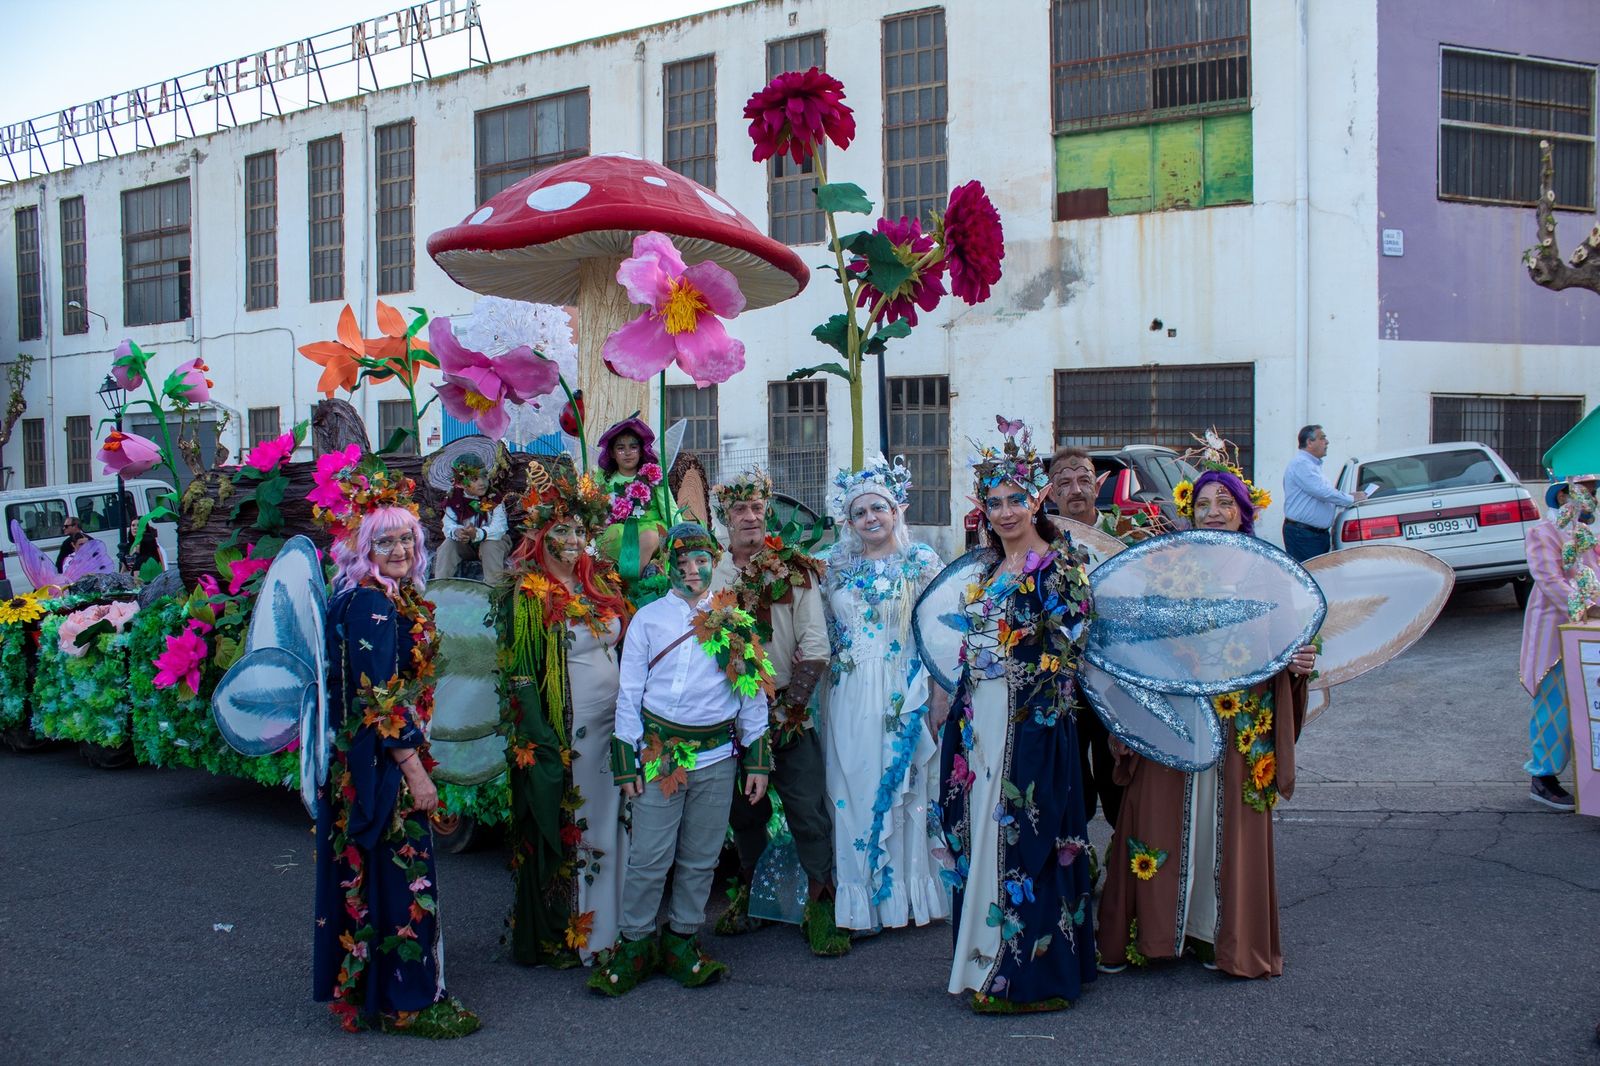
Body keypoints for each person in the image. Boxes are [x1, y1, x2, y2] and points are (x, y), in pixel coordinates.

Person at [1097, 468, 1316, 979]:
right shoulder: (1166, 565)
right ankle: (1152, 935)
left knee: (1228, 822)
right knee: (1158, 813)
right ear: (1188, 512)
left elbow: (1287, 643)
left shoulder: (1268, 572)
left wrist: (1300, 664)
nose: (1213, 511)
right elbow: (1140, 637)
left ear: (1244, 511)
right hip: (1177, 711)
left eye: (1225, 502)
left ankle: (1219, 935)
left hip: (1242, 719)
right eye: (1203, 503)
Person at [937, 418, 1097, 1013]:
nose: (1006, 512)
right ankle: (982, 963)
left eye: (1016, 500)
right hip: (981, 720)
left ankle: (1030, 977)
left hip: (1032, 724)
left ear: (1037, 500)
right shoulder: (982, 571)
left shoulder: (1061, 564)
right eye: (995, 502)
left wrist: (1023, 667)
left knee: (1026, 838)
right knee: (982, 833)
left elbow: (1073, 649)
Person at [314, 491, 478, 1037]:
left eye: (406, 537)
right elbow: (378, 697)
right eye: (385, 540)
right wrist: (416, 771)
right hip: (384, 764)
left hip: (371, 759)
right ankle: (409, 999)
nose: (400, 548)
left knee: (384, 873)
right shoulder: (372, 605)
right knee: (404, 874)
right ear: (365, 548)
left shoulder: (381, 598)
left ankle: (388, 991)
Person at [588, 522, 773, 996]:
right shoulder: (648, 618)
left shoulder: (735, 618)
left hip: (717, 757)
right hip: (660, 754)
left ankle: (683, 940)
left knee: (700, 858)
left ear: (714, 561)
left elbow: (751, 693)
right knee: (650, 858)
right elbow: (629, 693)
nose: (692, 570)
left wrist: (756, 760)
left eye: (701, 560)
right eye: (682, 561)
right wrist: (626, 758)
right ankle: (635, 943)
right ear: (667, 565)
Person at [706, 468, 847, 955]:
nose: (749, 518)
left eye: (757, 510)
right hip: (729, 716)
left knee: (807, 809)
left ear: (767, 514)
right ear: (725, 517)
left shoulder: (795, 569)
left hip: (789, 711)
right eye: (739, 510)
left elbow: (815, 646)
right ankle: (751, 897)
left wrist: (789, 710)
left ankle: (822, 905)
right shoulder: (708, 571)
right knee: (744, 813)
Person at [494, 466, 631, 965]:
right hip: (568, 735)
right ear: (539, 532)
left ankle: (616, 927)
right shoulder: (526, 594)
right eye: (562, 530)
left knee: (616, 823)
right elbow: (521, 675)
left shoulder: (602, 582)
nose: (573, 541)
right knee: (584, 827)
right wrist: (541, 738)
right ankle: (578, 935)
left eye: (580, 530)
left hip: (617, 728)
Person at [820, 456, 948, 932]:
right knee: (852, 787)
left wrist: (938, 693)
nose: (870, 518)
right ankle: (862, 901)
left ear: (896, 511)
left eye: (879, 508)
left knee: (909, 788)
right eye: (860, 513)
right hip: (850, 692)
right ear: (850, 522)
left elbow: (938, 634)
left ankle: (910, 897)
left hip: (904, 688)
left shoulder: (923, 563)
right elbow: (828, 635)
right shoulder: (836, 567)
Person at [1047, 444, 1146, 829]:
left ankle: (1126, 874)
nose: (1075, 489)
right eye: (1064, 482)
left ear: (1098, 484)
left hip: (1115, 678)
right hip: (1063, 683)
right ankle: (1076, 871)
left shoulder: (1127, 537)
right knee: (1071, 783)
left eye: (1084, 479)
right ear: (1051, 492)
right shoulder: (1042, 542)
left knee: (1120, 777)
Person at [1520, 475, 1600, 811]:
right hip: (1555, 631)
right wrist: (1589, 605)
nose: (1592, 498)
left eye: (1595, 492)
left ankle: (1590, 782)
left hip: (1591, 630)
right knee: (1555, 705)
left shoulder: (1589, 537)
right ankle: (1543, 778)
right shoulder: (1543, 532)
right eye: (1586, 491)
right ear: (1565, 494)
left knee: (1590, 703)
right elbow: (1549, 579)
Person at [594, 416, 674, 588]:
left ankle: (631, 587)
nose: (628, 453)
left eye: (633, 447)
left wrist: (683, 533)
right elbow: (596, 511)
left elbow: (670, 509)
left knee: (649, 536)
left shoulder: (653, 474)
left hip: (652, 527)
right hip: (620, 529)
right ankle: (611, 583)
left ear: (641, 450)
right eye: (621, 448)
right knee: (615, 533)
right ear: (613, 453)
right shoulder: (606, 480)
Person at [1281, 424, 1366, 563]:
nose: (1327, 442)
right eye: (1322, 438)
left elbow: (1325, 493)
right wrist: (1350, 498)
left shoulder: (1312, 465)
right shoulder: (1301, 464)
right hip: (1303, 534)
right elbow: (1322, 492)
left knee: (1319, 575)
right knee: (1311, 576)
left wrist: (1347, 496)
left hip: (1314, 534)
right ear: (1309, 442)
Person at [433, 454, 509, 584]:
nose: (482, 483)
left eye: (484, 476)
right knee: (448, 545)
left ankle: (494, 591)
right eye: (474, 479)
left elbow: (499, 527)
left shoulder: (494, 497)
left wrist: (478, 534)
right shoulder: (453, 499)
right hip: (467, 544)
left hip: (495, 541)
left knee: (489, 546)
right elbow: (448, 525)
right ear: (462, 483)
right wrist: (458, 532)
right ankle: (440, 587)